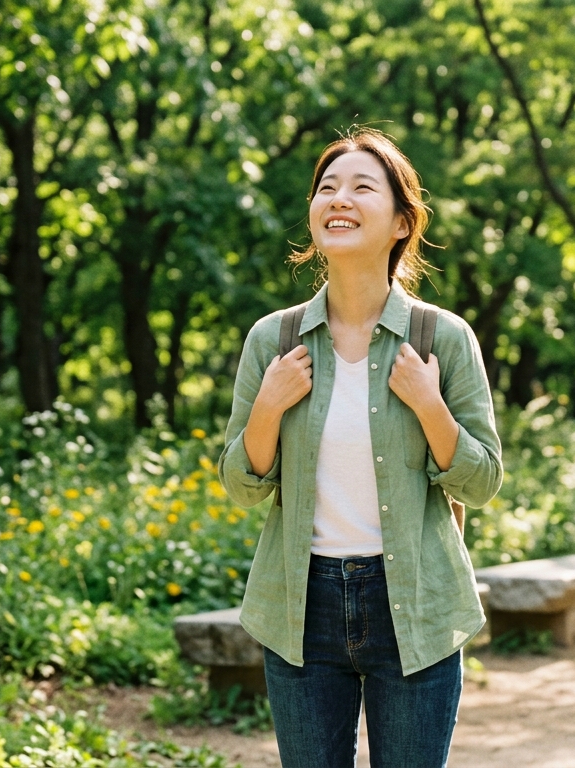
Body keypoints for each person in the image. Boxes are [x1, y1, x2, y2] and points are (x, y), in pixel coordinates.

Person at [217, 128, 503, 768]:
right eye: (327, 187)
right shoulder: (274, 340)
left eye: (360, 187)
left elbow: (482, 483)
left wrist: (429, 405)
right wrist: (269, 405)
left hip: (416, 602)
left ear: (403, 221)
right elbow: (241, 485)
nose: (338, 198)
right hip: (301, 606)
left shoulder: (442, 339)